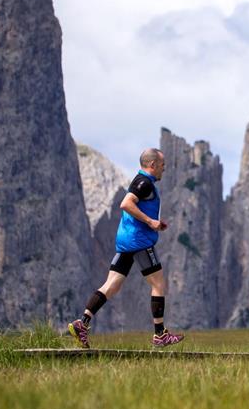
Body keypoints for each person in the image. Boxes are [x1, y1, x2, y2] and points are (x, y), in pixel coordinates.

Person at [68, 148, 183, 348]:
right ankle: (160, 334)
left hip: (126, 240)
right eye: (162, 165)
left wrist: (153, 222)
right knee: (158, 284)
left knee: (112, 284)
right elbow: (126, 203)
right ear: (152, 165)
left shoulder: (141, 181)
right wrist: (150, 222)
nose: (165, 168)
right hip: (139, 241)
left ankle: (82, 323)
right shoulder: (145, 183)